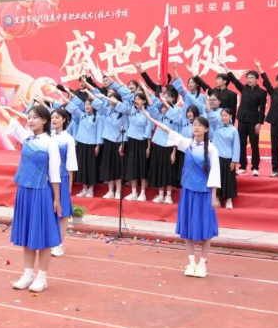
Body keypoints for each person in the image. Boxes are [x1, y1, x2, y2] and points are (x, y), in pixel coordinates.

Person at [0, 100, 61, 293]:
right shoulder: (27, 137)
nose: (30, 120)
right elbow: (10, 120)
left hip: (42, 193)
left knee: (43, 236)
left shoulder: (51, 143)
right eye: (29, 117)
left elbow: (54, 174)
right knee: (28, 235)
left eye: (34, 117)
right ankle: (28, 274)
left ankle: (42, 278)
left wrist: (56, 200)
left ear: (44, 120)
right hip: (24, 192)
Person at [144, 111, 220, 278]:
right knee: (187, 226)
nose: (196, 127)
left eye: (199, 125)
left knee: (205, 228)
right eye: (194, 125)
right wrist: (150, 118)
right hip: (188, 192)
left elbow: (215, 173)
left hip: (204, 193)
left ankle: (202, 264)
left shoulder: (212, 149)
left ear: (207, 129)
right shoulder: (187, 144)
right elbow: (168, 131)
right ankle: (191, 262)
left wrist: (214, 196)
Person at [99, 89, 152, 201]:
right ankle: (134, 192)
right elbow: (118, 104)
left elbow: (148, 130)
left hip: (142, 142)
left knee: (143, 168)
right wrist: (105, 97)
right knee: (132, 167)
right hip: (132, 141)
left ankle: (142, 193)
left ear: (144, 101)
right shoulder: (131, 110)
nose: (136, 101)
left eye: (139, 99)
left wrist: (148, 147)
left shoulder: (147, 113)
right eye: (135, 99)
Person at [221, 61, 267, 176]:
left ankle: (255, 167)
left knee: (254, 144)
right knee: (241, 144)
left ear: (257, 80)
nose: (249, 80)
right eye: (248, 78)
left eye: (252, 78)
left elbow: (262, 109)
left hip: (254, 121)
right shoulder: (243, 88)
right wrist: (225, 65)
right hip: (242, 119)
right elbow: (233, 79)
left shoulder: (262, 92)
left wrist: (259, 123)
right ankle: (242, 166)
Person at [49, 109, 78, 257]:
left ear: (64, 120)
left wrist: (69, 185)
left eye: (57, 117)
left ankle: (59, 244)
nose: (54, 120)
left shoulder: (68, 139)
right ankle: (49, 242)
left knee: (63, 212)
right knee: (48, 210)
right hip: (46, 178)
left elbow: (71, 164)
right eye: (52, 117)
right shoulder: (47, 136)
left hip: (62, 177)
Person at [63, 91, 102, 198]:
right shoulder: (82, 115)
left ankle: (91, 189)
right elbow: (73, 108)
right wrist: (63, 95)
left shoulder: (98, 117)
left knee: (91, 167)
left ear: (94, 106)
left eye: (89, 104)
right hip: (81, 144)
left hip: (92, 145)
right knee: (82, 166)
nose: (87, 106)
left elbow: (99, 131)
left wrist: (98, 145)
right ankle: (84, 188)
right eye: (85, 104)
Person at [92, 90, 125, 200]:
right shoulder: (107, 110)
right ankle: (110, 191)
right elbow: (98, 104)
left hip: (118, 142)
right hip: (108, 141)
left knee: (117, 168)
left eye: (113, 98)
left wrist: (123, 144)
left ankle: (118, 191)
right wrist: (89, 92)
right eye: (110, 98)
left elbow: (125, 129)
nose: (111, 100)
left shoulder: (123, 113)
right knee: (108, 167)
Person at [208, 106, 239, 209]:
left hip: (228, 158)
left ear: (230, 116)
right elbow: (210, 116)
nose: (223, 118)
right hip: (217, 157)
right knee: (217, 178)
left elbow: (236, 146)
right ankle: (217, 198)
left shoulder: (233, 130)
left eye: (226, 115)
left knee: (229, 180)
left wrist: (234, 161)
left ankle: (229, 200)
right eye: (222, 116)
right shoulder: (217, 127)